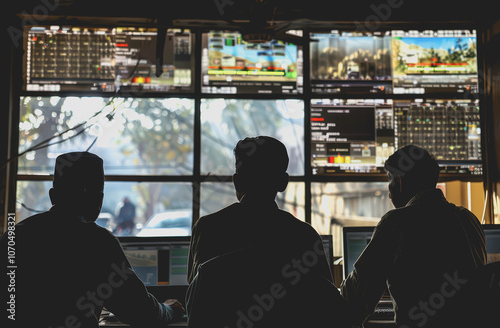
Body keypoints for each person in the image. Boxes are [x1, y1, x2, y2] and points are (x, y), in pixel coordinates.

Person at [0, 152, 184, 328]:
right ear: (98, 200)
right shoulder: (98, 242)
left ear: (52, 196)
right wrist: (169, 309)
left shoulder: (13, 236)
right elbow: (142, 312)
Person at [186, 136, 348, 328]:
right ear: (283, 182)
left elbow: (195, 305)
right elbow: (328, 309)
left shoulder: (207, 229)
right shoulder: (304, 235)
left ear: (237, 182)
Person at [340, 145, 487, 328]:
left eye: (390, 179)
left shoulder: (396, 223)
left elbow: (353, 302)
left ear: (399, 182)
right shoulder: (469, 219)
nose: (388, 190)